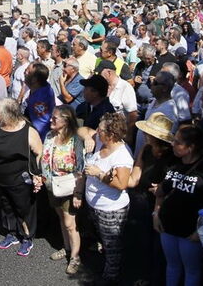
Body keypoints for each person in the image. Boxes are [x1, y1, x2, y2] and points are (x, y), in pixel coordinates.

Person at [152, 124, 203, 286]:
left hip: (190, 233)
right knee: (172, 266)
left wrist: (201, 230)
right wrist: (156, 214)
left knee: (191, 270)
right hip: (167, 228)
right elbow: (161, 192)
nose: (172, 144)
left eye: (177, 142)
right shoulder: (174, 163)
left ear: (191, 147)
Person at [0, 97, 44, 257]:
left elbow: (39, 153)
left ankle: (27, 237)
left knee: (23, 209)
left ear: (6, 114)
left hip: (20, 179)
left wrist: (38, 174)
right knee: (6, 207)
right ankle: (11, 233)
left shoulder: (28, 131)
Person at [83, 112, 133, 285]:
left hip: (111, 209)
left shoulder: (122, 155)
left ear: (111, 134)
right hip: (95, 205)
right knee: (104, 240)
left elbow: (122, 184)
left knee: (112, 245)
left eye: (101, 129)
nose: (97, 131)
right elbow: (82, 130)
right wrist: (88, 138)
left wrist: (99, 174)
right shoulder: (100, 140)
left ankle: (111, 275)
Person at [127, 112, 176, 285]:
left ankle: (154, 279)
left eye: (149, 133)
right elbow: (136, 174)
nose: (146, 135)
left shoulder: (171, 157)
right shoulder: (146, 149)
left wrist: (160, 193)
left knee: (156, 246)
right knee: (141, 241)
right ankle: (141, 275)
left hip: (157, 205)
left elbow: (167, 186)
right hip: (140, 200)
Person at [41, 105, 86, 275]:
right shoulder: (49, 136)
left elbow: (81, 168)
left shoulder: (75, 140)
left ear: (66, 120)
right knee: (61, 218)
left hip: (69, 187)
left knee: (70, 223)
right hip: (52, 186)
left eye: (55, 118)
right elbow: (44, 159)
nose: (51, 120)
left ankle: (75, 256)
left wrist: (78, 193)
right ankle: (67, 248)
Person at [23, 62, 55, 138]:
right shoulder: (42, 87)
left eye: (28, 71)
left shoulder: (40, 99)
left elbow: (40, 125)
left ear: (34, 80)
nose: (25, 72)